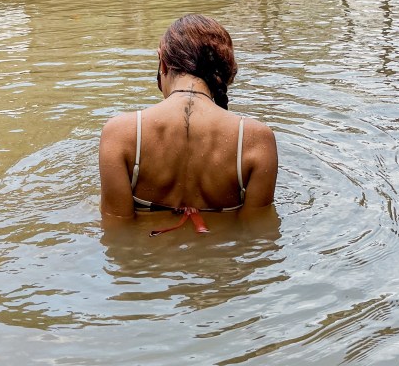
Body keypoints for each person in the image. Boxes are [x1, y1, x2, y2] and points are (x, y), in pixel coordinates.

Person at [99, 14, 278, 233]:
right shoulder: (256, 139)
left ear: (163, 63)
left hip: (149, 252)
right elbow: (257, 234)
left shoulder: (121, 133)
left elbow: (116, 231)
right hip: (219, 252)